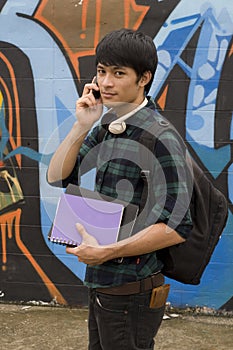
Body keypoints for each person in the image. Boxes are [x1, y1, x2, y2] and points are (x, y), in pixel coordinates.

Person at [47, 28, 192, 350]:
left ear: (144, 78)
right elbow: (57, 177)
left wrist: (105, 253)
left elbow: (176, 227)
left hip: (132, 291)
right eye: (101, 72)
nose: (106, 83)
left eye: (118, 73)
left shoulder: (159, 138)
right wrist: (82, 124)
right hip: (105, 285)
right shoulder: (111, 128)